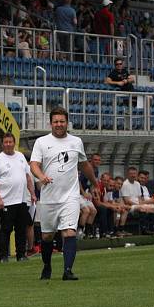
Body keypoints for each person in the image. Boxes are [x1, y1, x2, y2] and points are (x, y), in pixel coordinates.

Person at [30, 107, 99, 281]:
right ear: (51, 123)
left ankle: (68, 270)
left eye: (62, 121)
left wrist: (95, 183)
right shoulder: (41, 142)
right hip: (49, 198)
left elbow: (84, 165)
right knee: (47, 236)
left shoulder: (76, 142)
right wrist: (41, 176)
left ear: (67, 123)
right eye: (56, 122)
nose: (59, 124)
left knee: (69, 232)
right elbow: (34, 164)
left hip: (70, 196)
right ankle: (47, 266)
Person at [0, 133, 36, 262]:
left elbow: (27, 177)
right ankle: (3, 256)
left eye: (10, 142)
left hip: (21, 200)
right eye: (6, 142)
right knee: (6, 229)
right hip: (7, 202)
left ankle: (21, 254)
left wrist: (32, 193)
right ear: (2, 144)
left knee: (21, 229)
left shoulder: (20, 156)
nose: (8, 144)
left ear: (14, 143)